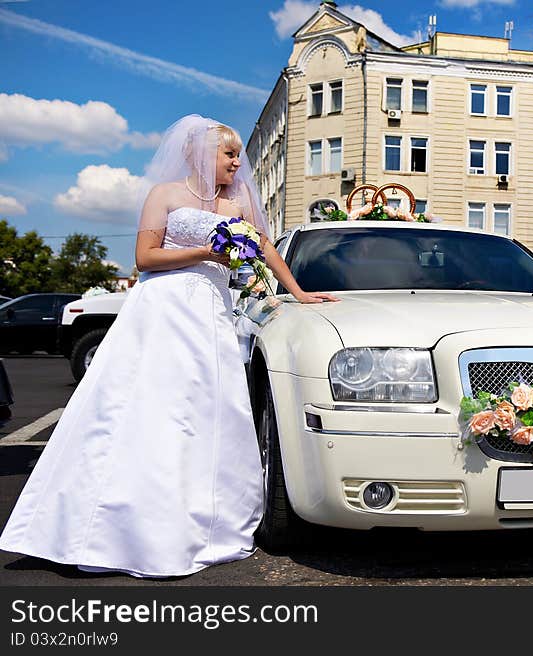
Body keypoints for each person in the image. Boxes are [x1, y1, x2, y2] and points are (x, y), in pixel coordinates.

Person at [0, 115, 338, 577]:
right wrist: (205, 252)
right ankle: (112, 521)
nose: (238, 163)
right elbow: (145, 258)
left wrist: (296, 292)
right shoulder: (165, 195)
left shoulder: (237, 198)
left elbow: (263, 248)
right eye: (229, 154)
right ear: (197, 154)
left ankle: (199, 517)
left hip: (211, 314)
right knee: (145, 407)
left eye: (238, 155)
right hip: (163, 310)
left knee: (205, 410)